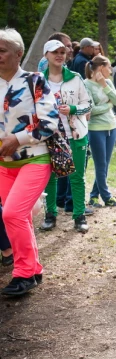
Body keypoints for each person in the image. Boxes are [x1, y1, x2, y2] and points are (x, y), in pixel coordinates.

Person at [0, 28, 58, 295]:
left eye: (2, 51)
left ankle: (22, 273)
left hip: (35, 159)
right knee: (18, 218)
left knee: (12, 214)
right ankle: (33, 269)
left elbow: (49, 124)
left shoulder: (34, 81)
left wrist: (18, 139)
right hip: (4, 165)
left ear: (18, 54)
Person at [40, 40, 92, 233]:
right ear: (46, 55)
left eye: (62, 51)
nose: (59, 55)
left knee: (77, 177)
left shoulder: (76, 78)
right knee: (50, 177)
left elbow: (87, 105)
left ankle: (79, 216)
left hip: (75, 135)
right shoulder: (38, 80)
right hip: (49, 137)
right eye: (54, 52)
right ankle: (50, 214)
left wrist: (72, 109)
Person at [84, 55, 116, 208]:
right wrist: (108, 105)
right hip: (95, 129)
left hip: (111, 127)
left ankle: (94, 196)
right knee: (100, 164)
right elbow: (91, 109)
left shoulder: (107, 82)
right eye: (108, 67)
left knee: (105, 164)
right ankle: (107, 197)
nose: (111, 70)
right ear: (101, 67)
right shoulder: (86, 84)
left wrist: (104, 85)